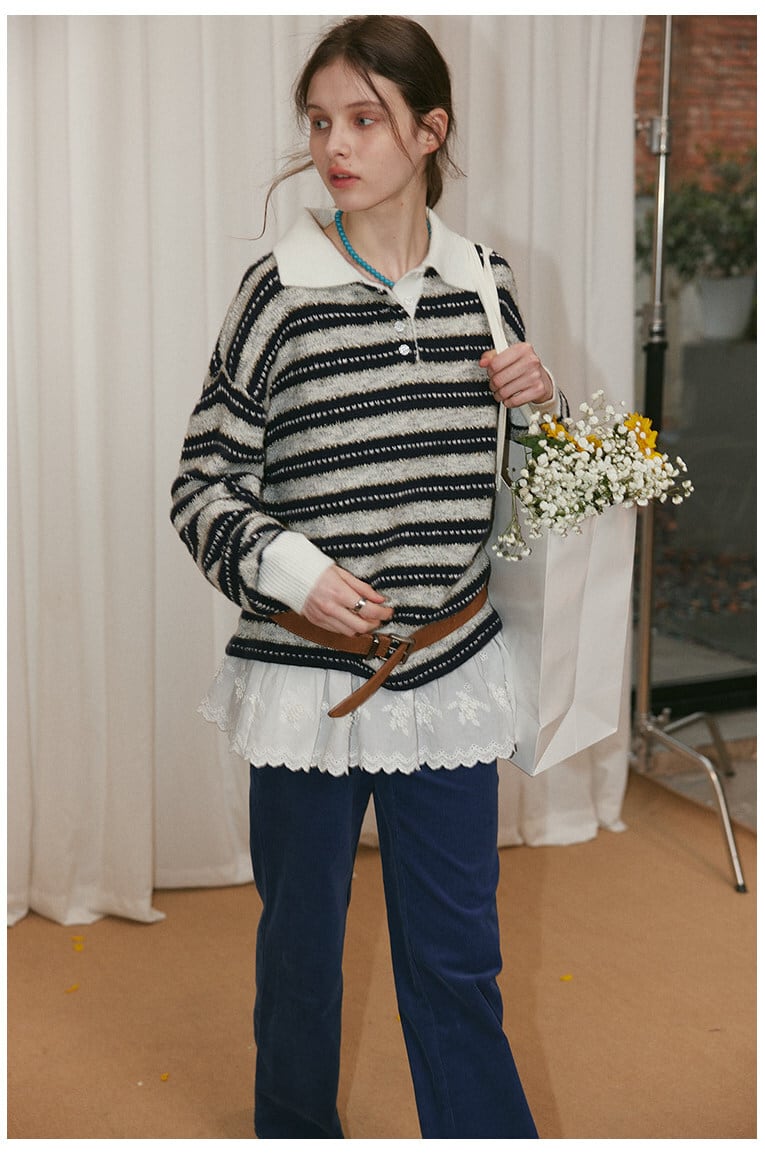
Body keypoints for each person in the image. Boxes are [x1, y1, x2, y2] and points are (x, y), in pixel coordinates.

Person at [171, 15, 564, 1139]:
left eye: (363, 119)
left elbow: (524, 498)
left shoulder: (485, 283)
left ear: (429, 132)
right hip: (307, 685)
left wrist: (540, 409)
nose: (334, 146)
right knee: (300, 956)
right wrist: (292, 571)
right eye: (318, 122)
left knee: (458, 959)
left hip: (447, 673)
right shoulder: (276, 293)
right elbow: (201, 486)